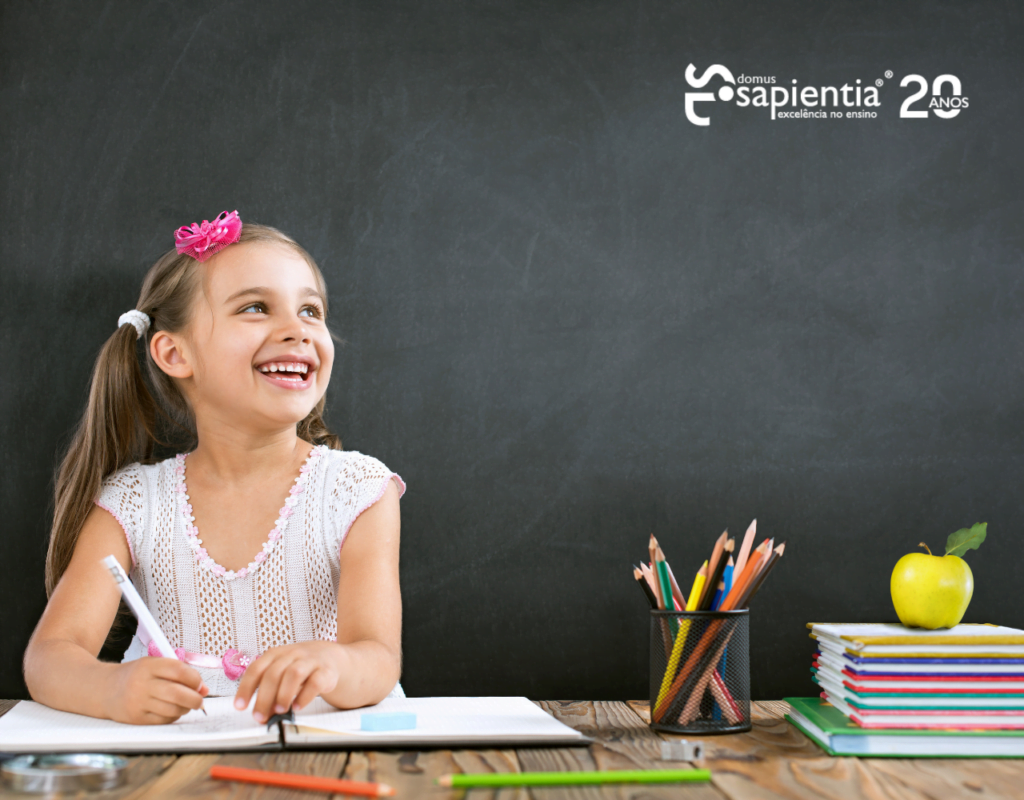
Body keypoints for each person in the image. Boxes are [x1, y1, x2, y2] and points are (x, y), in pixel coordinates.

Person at [23, 210, 405, 725]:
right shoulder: (133, 502)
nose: (297, 330)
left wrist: (334, 663)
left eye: (311, 311)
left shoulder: (357, 491)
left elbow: (378, 658)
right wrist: (110, 688)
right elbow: (49, 657)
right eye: (255, 307)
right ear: (175, 353)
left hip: (325, 755)